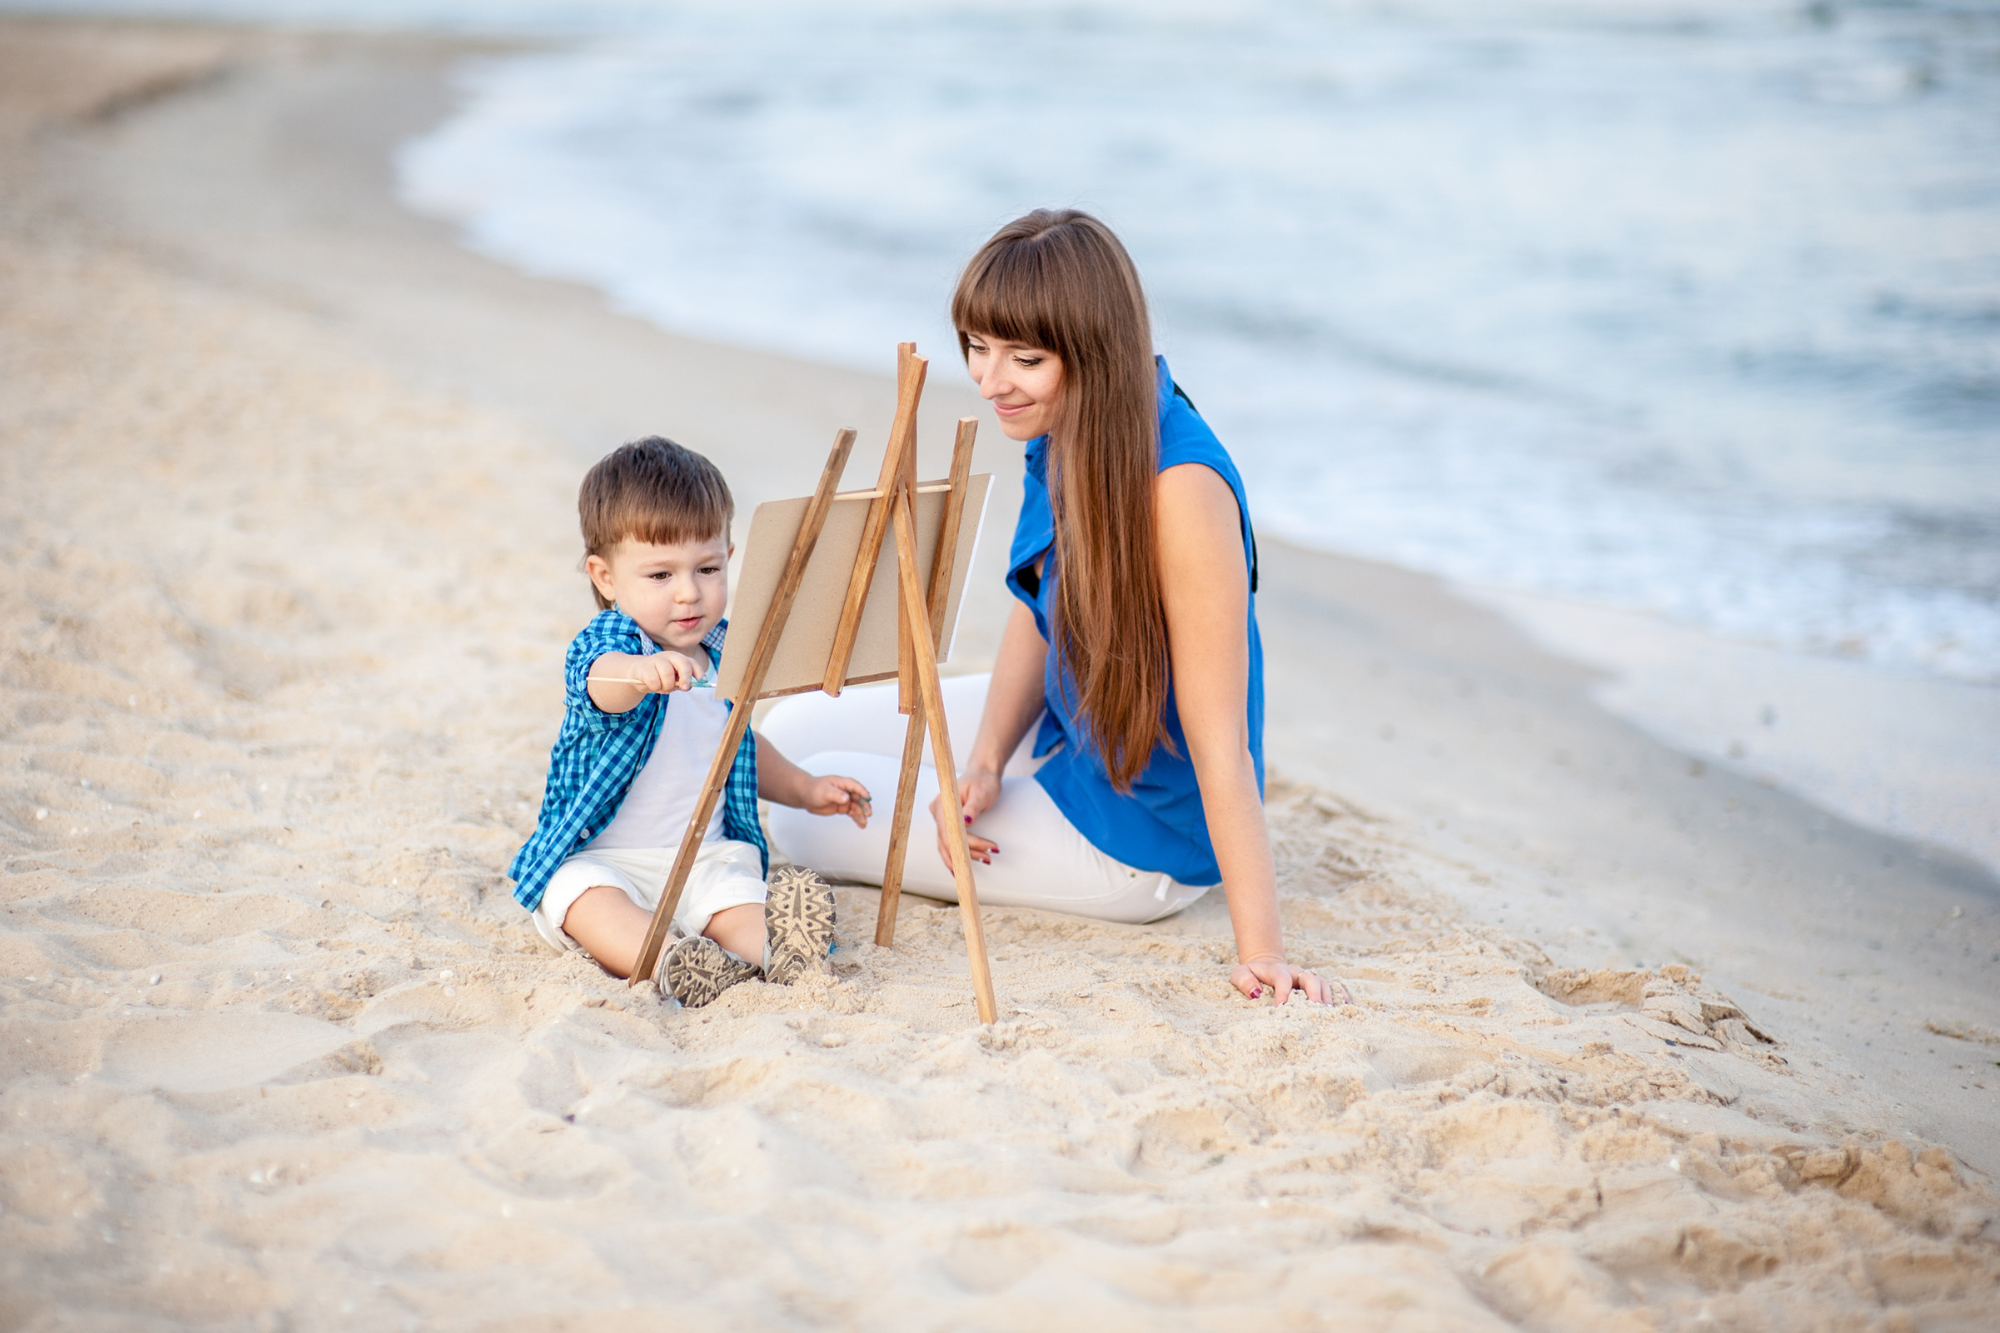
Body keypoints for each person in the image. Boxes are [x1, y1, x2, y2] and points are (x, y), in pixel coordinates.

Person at [766, 209, 1335, 1005]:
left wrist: (1263, 951)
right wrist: (987, 761)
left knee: (790, 817)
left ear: (1093, 353)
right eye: (979, 346)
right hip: (1067, 738)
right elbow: (1041, 609)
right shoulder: (1064, 422)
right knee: (783, 740)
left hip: (1137, 837)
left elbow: (1222, 742)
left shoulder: (1182, 490)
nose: (991, 380)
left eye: (1024, 357)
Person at [508, 437, 873, 1007]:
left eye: (708, 568)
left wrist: (805, 787)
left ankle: (783, 953)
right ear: (605, 578)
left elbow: (739, 749)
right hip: (605, 857)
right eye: (660, 575)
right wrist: (640, 672)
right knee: (578, 897)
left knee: (738, 901)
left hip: (706, 856)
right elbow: (599, 683)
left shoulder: (725, 654)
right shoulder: (614, 644)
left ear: (728, 554)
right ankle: (670, 960)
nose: (689, 593)